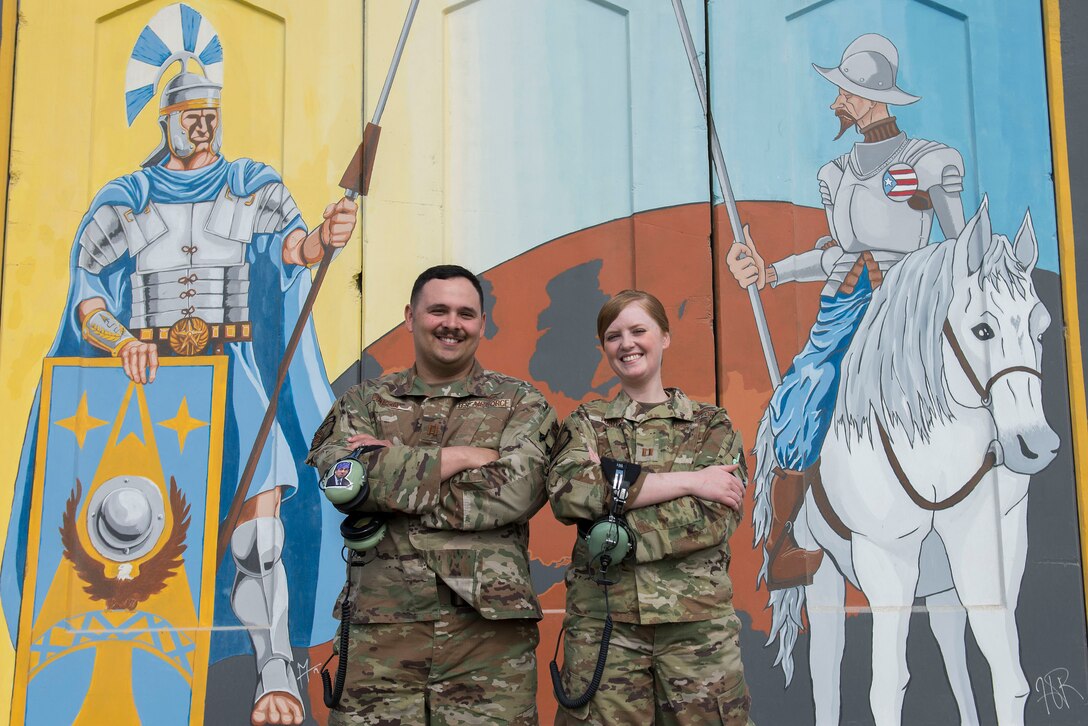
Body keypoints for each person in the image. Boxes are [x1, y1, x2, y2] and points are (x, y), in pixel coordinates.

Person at [1, 11, 357, 722]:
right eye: (192, 114)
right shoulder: (126, 198)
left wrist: (322, 238)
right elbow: (88, 291)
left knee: (261, 522)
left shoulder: (251, 182)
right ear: (165, 118)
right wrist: (115, 340)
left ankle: (274, 668)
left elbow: (291, 249)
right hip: (151, 379)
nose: (205, 126)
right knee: (129, 520)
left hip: (232, 373)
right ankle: (116, 665)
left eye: (212, 113)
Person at [725, 33, 966, 589]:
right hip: (843, 307)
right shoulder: (834, 174)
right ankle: (786, 543)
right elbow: (834, 252)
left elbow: (959, 249)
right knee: (800, 394)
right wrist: (770, 273)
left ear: (872, 98)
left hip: (905, 304)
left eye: (846, 92)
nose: (837, 101)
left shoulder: (930, 161)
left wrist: (930, 212)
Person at [306, 264, 558, 724]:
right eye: (438, 310)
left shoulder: (522, 403)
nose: (451, 324)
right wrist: (463, 456)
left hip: (487, 641)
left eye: (466, 313)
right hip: (380, 636)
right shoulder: (364, 403)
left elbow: (518, 490)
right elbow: (341, 479)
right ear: (410, 316)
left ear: (482, 323)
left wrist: (394, 477)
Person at [547, 290, 752, 725]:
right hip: (606, 627)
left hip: (696, 630)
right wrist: (691, 481)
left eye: (639, 331)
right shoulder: (586, 422)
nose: (627, 344)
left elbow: (714, 516)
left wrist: (609, 524)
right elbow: (568, 492)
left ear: (665, 337)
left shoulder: (710, 425)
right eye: (613, 336)